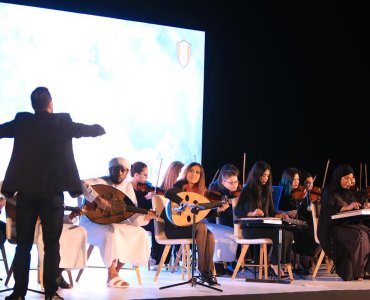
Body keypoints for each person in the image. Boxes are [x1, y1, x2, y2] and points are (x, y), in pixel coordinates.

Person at [0, 86, 105, 300]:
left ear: (33, 105)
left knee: (23, 246)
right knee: (51, 245)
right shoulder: (62, 122)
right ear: (50, 104)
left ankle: (18, 293)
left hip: (26, 194)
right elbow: (87, 130)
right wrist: (99, 128)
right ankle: (50, 293)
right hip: (52, 195)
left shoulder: (22, 121)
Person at [79, 157, 152, 288]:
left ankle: (115, 271)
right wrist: (97, 199)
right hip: (91, 222)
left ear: (127, 171)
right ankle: (111, 273)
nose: (118, 173)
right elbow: (81, 183)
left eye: (122, 170)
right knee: (112, 230)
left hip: (114, 222)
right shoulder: (102, 180)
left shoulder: (128, 187)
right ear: (109, 170)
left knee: (140, 233)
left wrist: (144, 218)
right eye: (115, 170)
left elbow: (132, 216)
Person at [163, 162, 229, 286]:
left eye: (197, 172)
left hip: (192, 228)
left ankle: (208, 273)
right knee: (202, 226)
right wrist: (182, 202)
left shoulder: (200, 192)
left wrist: (218, 210)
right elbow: (168, 193)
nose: (194, 174)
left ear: (200, 176)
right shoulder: (180, 185)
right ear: (186, 172)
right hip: (175, 228)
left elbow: (203, 213)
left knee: (210, 235)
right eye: (191, 171)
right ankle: (202, 269)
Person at [234, 160, 294, 278]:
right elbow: (237, 211)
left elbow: (271, 211)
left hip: (262, 226)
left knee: (288, 234)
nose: (266, 178)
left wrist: (279, 214)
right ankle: (275, 264)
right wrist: (251, 213)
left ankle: (280, 263)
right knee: (279, 233)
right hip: (249, 229)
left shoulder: (267, 191)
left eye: (267, 175)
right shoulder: (247, 190)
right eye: (263, 175)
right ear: (257, 175)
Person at [318, 165, 370, 281]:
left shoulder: (348, 193)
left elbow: (354, 208)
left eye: (350, 178)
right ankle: (358, 272)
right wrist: (346, 208)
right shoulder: (329, 190)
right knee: (359, 235)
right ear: (339, 177)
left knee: (366, 233)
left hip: (347, 226)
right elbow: (328, 210)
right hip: (332, 229)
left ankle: (366, 270)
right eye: (346, 178)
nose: (349, 181)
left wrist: (362, 206)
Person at [129, 161, 157, 266]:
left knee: (159, 224)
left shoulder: (146, 186)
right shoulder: (128, 188)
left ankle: (155, 257)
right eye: (145, 175)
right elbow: (132, 207)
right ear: (136, 175)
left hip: (145, 218)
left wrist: (153, 198)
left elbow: (148, 206)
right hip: (132, 220)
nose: (147, 177)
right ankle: (151, 256)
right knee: (156, 225)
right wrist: (146, 197)